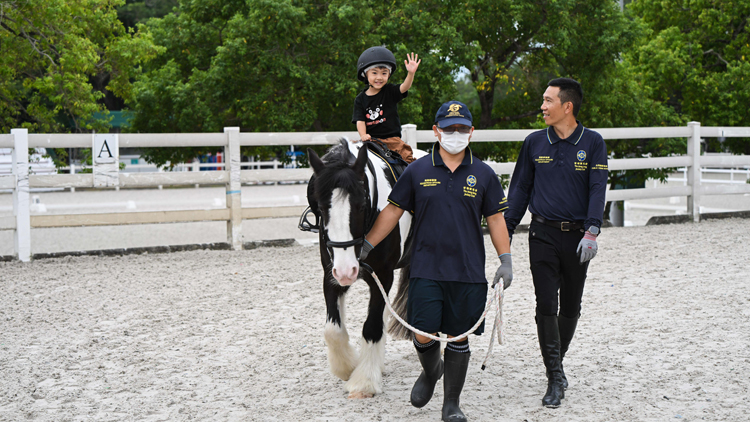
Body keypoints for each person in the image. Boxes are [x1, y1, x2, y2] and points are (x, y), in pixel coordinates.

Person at [359, 100, 513, 422]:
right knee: (423, 333)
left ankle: (451, 405)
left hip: (468, 271)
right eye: (448, 128)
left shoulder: (484, 174)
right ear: (436, 131)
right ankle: (431, 372)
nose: (454, 134)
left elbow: (496, 220)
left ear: (471, 132)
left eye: (461, 129)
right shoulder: (417, 170)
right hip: (425, 267)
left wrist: (506, 259)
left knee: (459, 336)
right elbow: (392, 211)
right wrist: (367, 245)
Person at [503, 77, 608, 408]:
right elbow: (520, 188)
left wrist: (592, 229)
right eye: (543, 101)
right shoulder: (534, 142)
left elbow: (597, 187)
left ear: (567, 106)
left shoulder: (592, 142)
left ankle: (555, 363)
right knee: (546, 304)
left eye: (548, 101)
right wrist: (504, 228)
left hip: (578, 237)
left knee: (571, 306)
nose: (542, 106)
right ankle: (555, 377)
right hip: (542, 234)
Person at [352, 46, 421, 163]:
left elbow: (404, 87)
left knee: (407, 159)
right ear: (365, 74)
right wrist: (363, 135)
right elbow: (360, 120)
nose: (379, 77)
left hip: (393, 141)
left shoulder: (390, 91)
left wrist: (410, 74)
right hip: (371, 141)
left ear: (389, 75)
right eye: (374, 73)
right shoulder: (360, 99)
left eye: (384, 73)